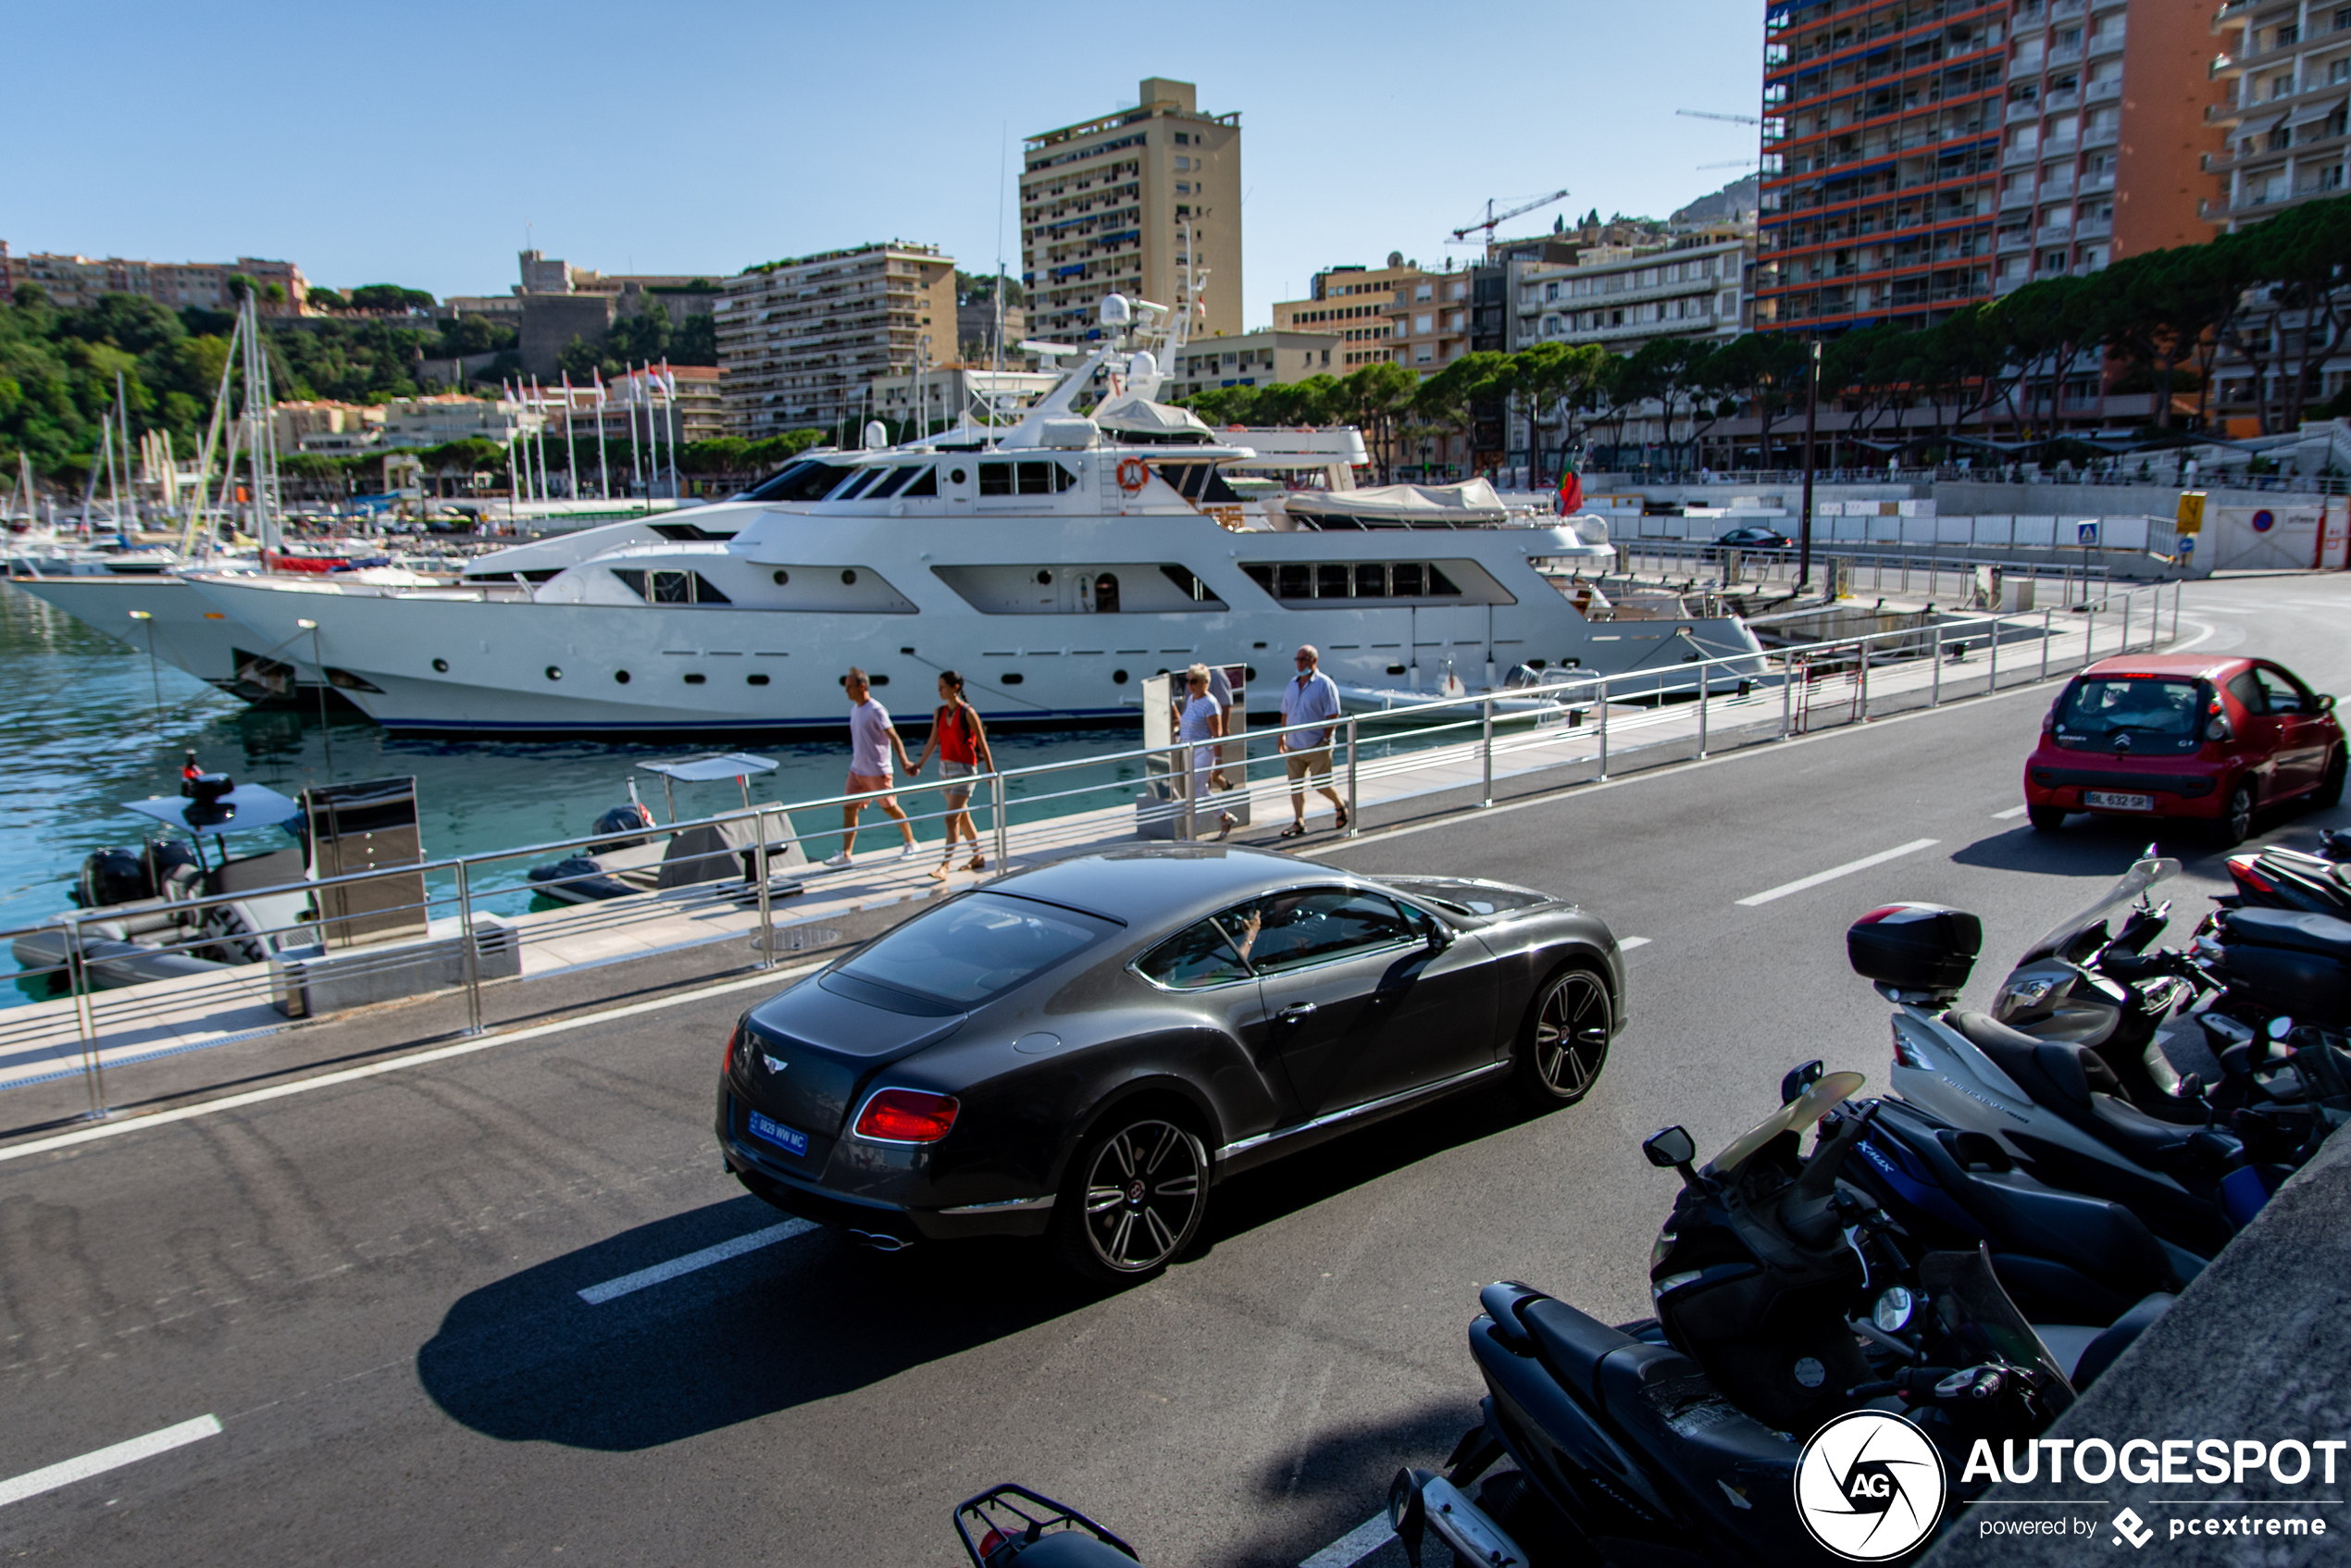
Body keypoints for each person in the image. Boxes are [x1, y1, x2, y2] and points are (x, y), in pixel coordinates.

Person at [827, 666, 917, 866]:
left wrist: (904, 762)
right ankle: (846, 855)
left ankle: (911, 842)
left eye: (849, 687)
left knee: (891, 808)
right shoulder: (855, 710)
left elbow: (893, 736)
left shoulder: (876, 710)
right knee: (849, 809)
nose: (846, 691)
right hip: (857, 769)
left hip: (877, 770)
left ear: (862, 686)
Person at [910, 669, 993, 880]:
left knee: (950, 819)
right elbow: (933, 740)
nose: (939, 691)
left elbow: (982, 744)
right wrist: (918, 764)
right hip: (945, 769)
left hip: (964, 771)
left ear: (955, 688)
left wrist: (990, 772)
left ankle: (944, 866)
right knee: (962, 817)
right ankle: (978, 856)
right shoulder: (939, 712)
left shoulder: (968, 713)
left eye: (942, 687)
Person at [1277, 644, 1347, 839]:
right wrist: (1281, 736)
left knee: (1321, 784)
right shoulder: (1292, 684)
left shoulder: (1325, 685)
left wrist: (1325, 739)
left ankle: (1340, 805)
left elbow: (1333, 714)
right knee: (1295, 785)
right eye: (1297, 659)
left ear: (1314, 661)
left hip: (1317, 745)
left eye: (1303, 659)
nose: (1299, 664)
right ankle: (1299, 821)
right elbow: (1285, 711)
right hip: (1294, 745)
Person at [1175, 663, 1237, 840]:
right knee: (1201, 791)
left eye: (1194, 681)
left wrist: (1218, 760)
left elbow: (1216, 735)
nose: (1190, 685)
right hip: (1189, 753)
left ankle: (1190, 835)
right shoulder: (1191, 700)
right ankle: (1225, 818)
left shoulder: (1210, 704)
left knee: (1194, 793)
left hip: (1203, 753)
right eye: (1188, 681)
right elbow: (1188, 724)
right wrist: (1179, 734)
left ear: (1204, 682)